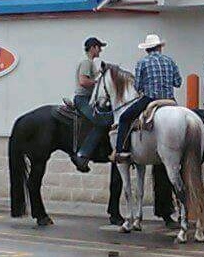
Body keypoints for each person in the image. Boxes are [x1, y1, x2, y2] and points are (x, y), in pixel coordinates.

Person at [113, 34, 181, 162]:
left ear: (146, 49)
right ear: (159, 48)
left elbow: (138, 86)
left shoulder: (142, 62)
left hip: (150, 99)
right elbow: (178, 82)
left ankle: (121, 150)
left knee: (124, 118)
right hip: (170, 101)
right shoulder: (170, 61)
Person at [70, 36, 107, 172]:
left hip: (88, 99)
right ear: (93, 48)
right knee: (101, 121)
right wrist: (98, 82)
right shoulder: (86, 62)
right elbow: (83, 81)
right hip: (83, 99)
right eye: (99, 47)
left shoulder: (90, 63)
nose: (100, 51)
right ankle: (82, 154)